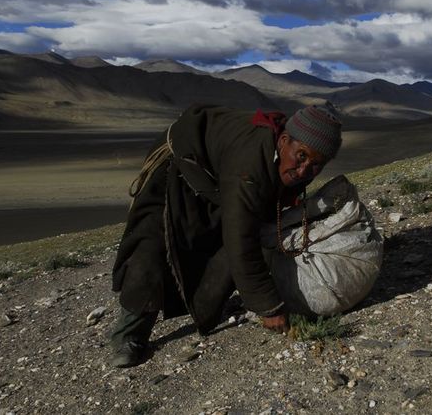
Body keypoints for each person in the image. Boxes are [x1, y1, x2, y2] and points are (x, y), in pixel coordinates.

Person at [109, 103, 342, 368]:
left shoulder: (285, 159)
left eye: (316, 165)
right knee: (151, 248)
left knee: (222, 245)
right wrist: (269, 307)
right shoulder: (251, 162)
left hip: (218, 179)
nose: (303, 172)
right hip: (178, 165)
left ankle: (206, 306)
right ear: (284, 141)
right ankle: (129, 335)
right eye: (300, 157)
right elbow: (241, 239)